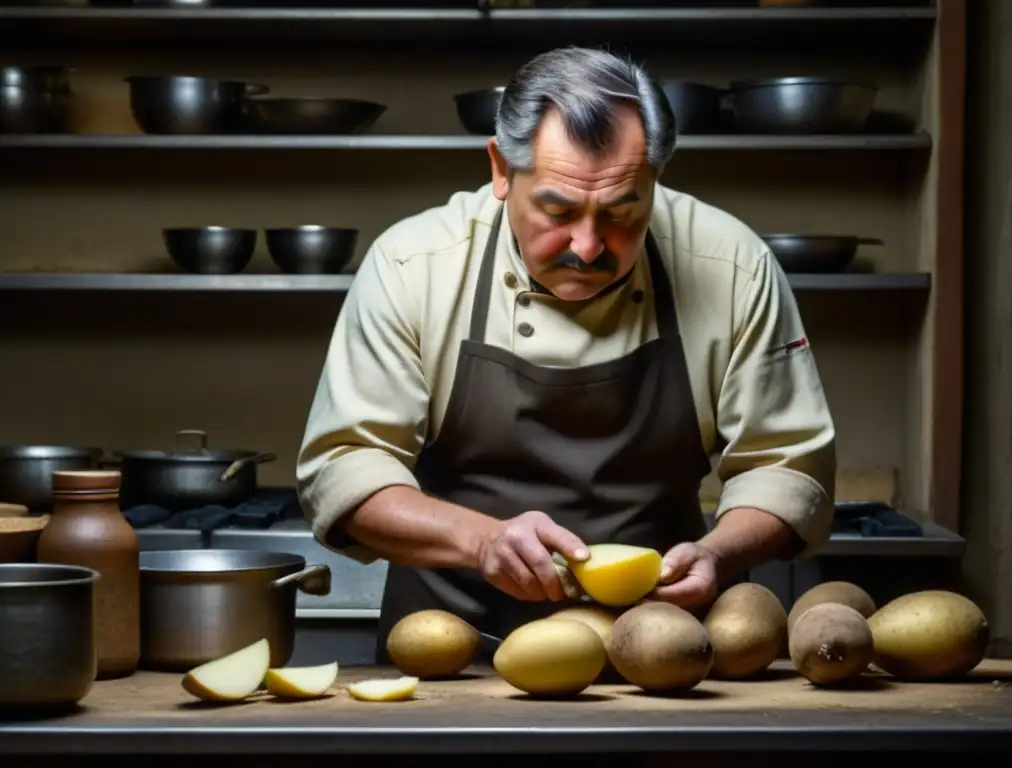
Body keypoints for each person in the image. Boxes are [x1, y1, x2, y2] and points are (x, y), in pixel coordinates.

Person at [296, 46, 836, 660]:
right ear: (501, 169)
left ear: (657, 177)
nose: (586, 245)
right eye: (558, 210)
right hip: (452, 651)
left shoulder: (734, 265)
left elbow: (786, 466)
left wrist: (717, 552)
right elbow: (343, 468)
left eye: (621, 212)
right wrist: (481, 541)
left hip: (668, 648)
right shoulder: (412, 267)